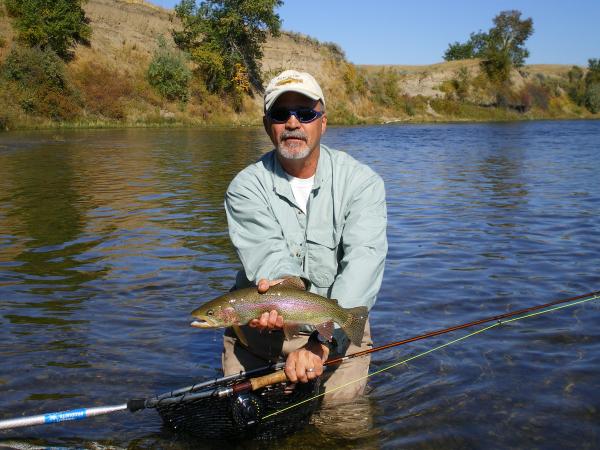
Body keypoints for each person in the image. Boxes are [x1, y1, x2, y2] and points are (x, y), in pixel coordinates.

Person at [222, 69, 387, 402]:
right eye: (281, 115)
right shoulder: (245, 188)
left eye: (306, 113)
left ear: (322, 122)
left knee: (343, 427)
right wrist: (276, 304)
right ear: (268, 125)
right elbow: (269, 257)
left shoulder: (363, 184)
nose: (293, 123)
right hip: (260, 341)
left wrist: (322, 342)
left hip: (338, 333)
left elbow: (363, 262)